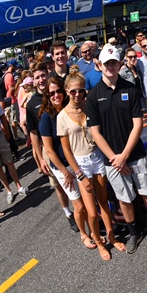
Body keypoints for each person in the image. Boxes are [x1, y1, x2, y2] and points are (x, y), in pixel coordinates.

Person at [87, 44, 147, 253]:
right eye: (107, 63)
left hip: (135, 154)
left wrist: (124, 155)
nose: (110, 67)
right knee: (124, 198)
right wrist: (115, 158)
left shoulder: (130, 89)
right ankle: (134, 233)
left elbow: (138, 125)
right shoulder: (93, 95)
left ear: (119, 63)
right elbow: (95, 132)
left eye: (114, 63)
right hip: (111, 160)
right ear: (100, 65)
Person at [58, 72, 127, 260]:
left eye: (81, 91)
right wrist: (79, 174)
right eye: (73, 92)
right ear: (66, 92)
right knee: (91, 210)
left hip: (97, 157)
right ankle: (98, 242)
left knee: (104, 201)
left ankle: (111, 237)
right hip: (81, 163)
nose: (77, 95)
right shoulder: (62, 117)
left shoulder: (90, 107)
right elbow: (66, 151)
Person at [39, 77, 96, 251]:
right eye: (52, 93)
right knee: (78, 205)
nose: (56, 95)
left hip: (77, 161)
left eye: (58, 91)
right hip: (62, 167)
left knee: (88, 199)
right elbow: (49, 150)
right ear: (47, 96)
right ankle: (84, 234)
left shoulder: (69, 109)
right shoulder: (46, 118)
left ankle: (94, 231)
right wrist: (65, 173)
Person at [25, 63, 78, 231]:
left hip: (69, 145)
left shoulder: (59, 91)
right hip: (48, 150)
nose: (41, 80)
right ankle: (68, 213)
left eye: (42, 76)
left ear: (47, 75)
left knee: (76, 183)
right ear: (33, 81)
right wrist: (40, 159)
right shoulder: (31, 104)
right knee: (59, 185)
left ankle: (82, 211)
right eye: (37, 77)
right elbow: (33, 133)